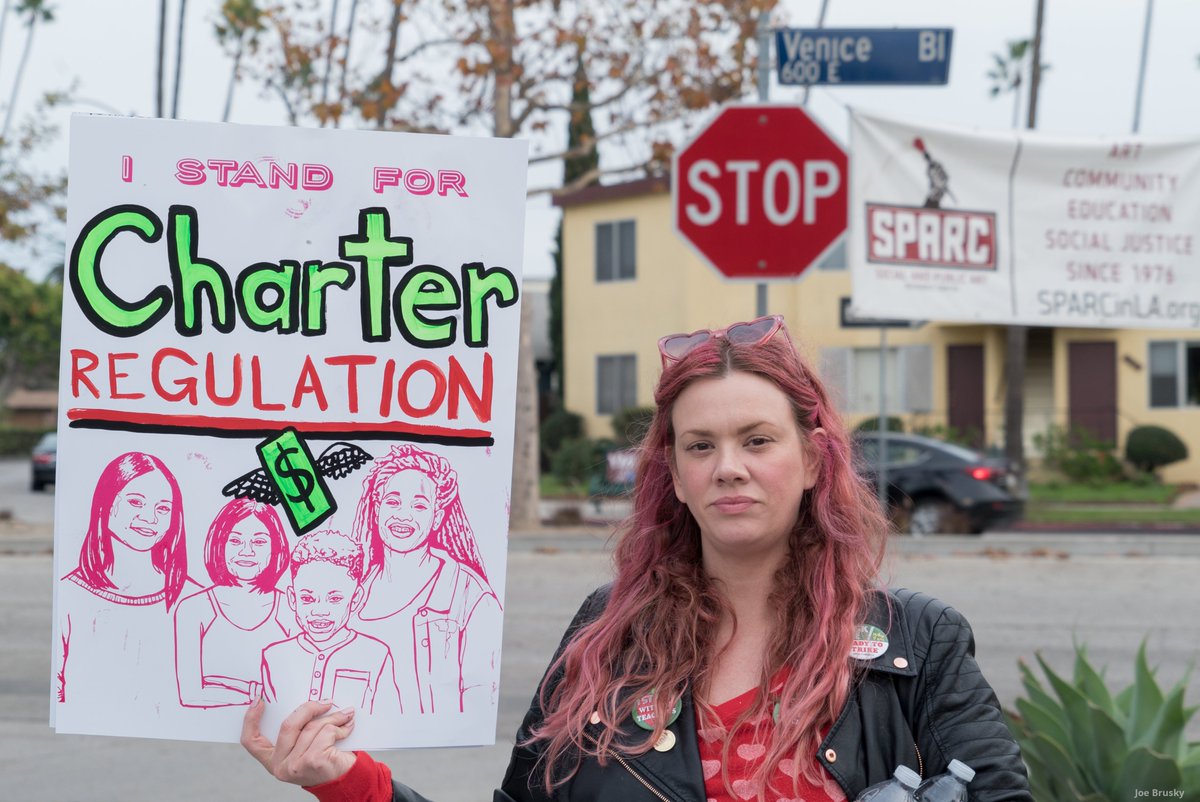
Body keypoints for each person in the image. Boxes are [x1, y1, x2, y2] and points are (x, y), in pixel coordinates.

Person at [242, 315, 1032, 801]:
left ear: (816, 459)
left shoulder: (919, 644)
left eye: (758, 441)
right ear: (676, 476)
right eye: (701, 446)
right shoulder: (607, 634)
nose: (729, 466)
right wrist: (344, 780)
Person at [347, 444, 501, 714]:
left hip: (434, 752)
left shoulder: (471, 596)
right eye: (392, 501)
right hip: (354, 744)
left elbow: (479, 701)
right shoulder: (351, 594)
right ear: (376, 509)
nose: (403, 515)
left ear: (437, 517)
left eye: (419, 505)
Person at [57, 451, 200, 711]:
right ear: (106, 502)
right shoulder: (70, 595)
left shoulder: (194, 599)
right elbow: (60, 689)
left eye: (164, 508)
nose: (150, 518)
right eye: (136, 502)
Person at [260, 529, 402, 717]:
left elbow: (390, 721)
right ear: (292, 599)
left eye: (334, 599)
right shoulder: (273, 656)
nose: (320, 611)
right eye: (307, 598)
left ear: (356, 598)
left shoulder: (377, 655)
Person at [174, 498, 296, 707]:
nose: (246, 551)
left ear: (276, 547)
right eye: (235, 540)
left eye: (259, 542)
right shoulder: (193, 608)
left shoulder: (290, 608)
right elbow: (190, 694)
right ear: (219, 544)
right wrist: (254, 693)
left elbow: (294, 689)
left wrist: (224, 686)